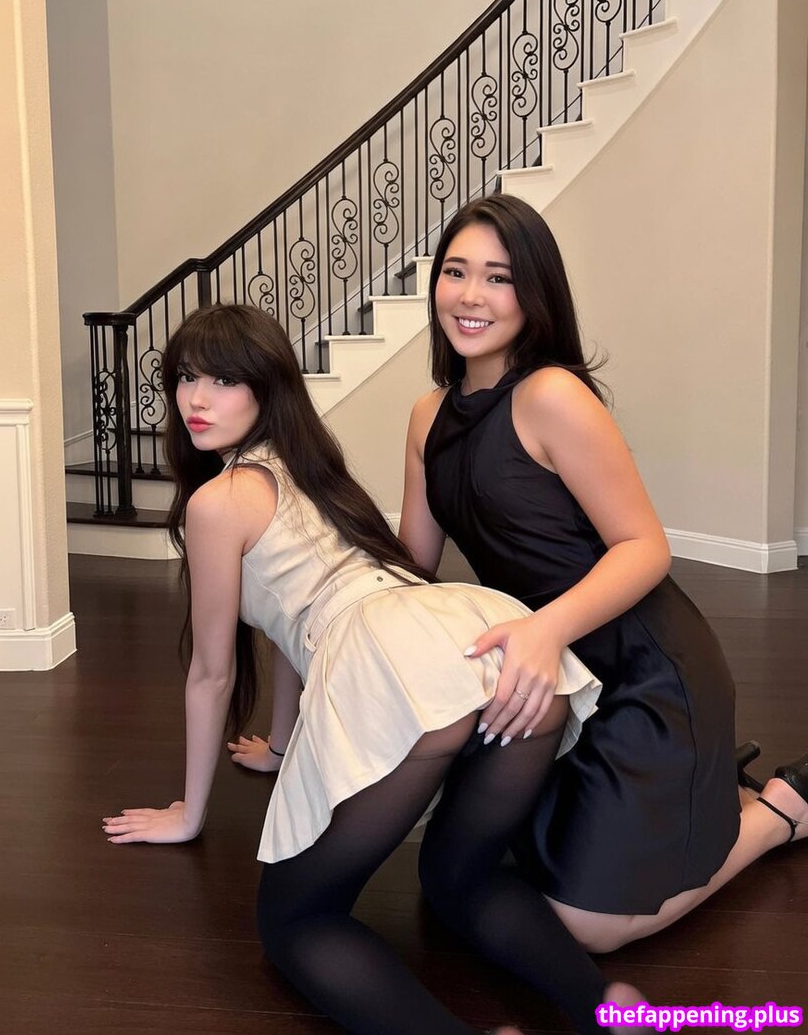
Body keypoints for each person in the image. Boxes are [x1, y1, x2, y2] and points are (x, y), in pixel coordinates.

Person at [101, 303, 649, 1035]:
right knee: (463, 879)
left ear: (268, 387)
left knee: (297, 922)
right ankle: (607, 1007)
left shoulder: (217, 502)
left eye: (224, 381)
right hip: (486, 644)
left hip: (400, 666)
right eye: (185, 378)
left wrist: (189, 814)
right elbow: (295, 626)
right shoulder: (309, 467)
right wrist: (282, 746)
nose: (196, 400)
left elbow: (211, 674)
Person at [397, 193, 808, 954]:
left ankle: (779, 811)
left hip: (643, 672)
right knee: (493, 867)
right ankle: (706, 790)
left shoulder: (551, 395)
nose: (471, 295)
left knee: (588, 927)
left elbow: (646, 546)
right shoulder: (428, 414)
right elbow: (412, 567)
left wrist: (545, 628)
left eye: (498, 277)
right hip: (550, 676)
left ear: (535, 293)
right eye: (456, 272)